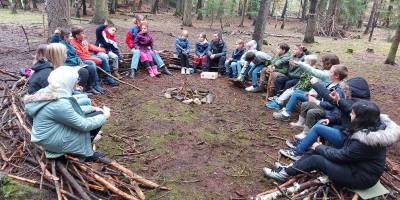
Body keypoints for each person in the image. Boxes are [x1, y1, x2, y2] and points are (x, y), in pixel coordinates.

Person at [264, 101, 400, 191]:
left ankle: (284, 174)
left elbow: (342, 156)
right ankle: (290, 168)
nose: (350, 115)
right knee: (317, 152)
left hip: (360, 177)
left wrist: (319, 147)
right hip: (355, 165)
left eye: (352, 114)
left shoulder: (367, 140)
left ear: (360, 118)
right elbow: (347, 149)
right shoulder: (370, 126)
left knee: (317, 158)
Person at [24, 66, 110, 161]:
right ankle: (84, 154)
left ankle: (83, 144)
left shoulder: (50, 91)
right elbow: (84, 125)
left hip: (47, 136)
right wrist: (104, 116)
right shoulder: (59, 102)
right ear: (68, 81)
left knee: (95, 112)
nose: (76, 83)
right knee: (97, 116)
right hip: (52, 142)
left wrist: (91, 108)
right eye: (75, 80)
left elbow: (70, 110)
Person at [58, 29, 105, 94]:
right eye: (70, 36)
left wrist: (79, 60)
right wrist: (77, 62)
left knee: (91, 68)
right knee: (84, 72)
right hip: (68, 65)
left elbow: (76, 55)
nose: (72, 38)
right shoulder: (61, 46)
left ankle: (89, 87)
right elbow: (66, 59)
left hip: (75, 63)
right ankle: (79, 90)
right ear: (65, 37)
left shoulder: (69, 44)